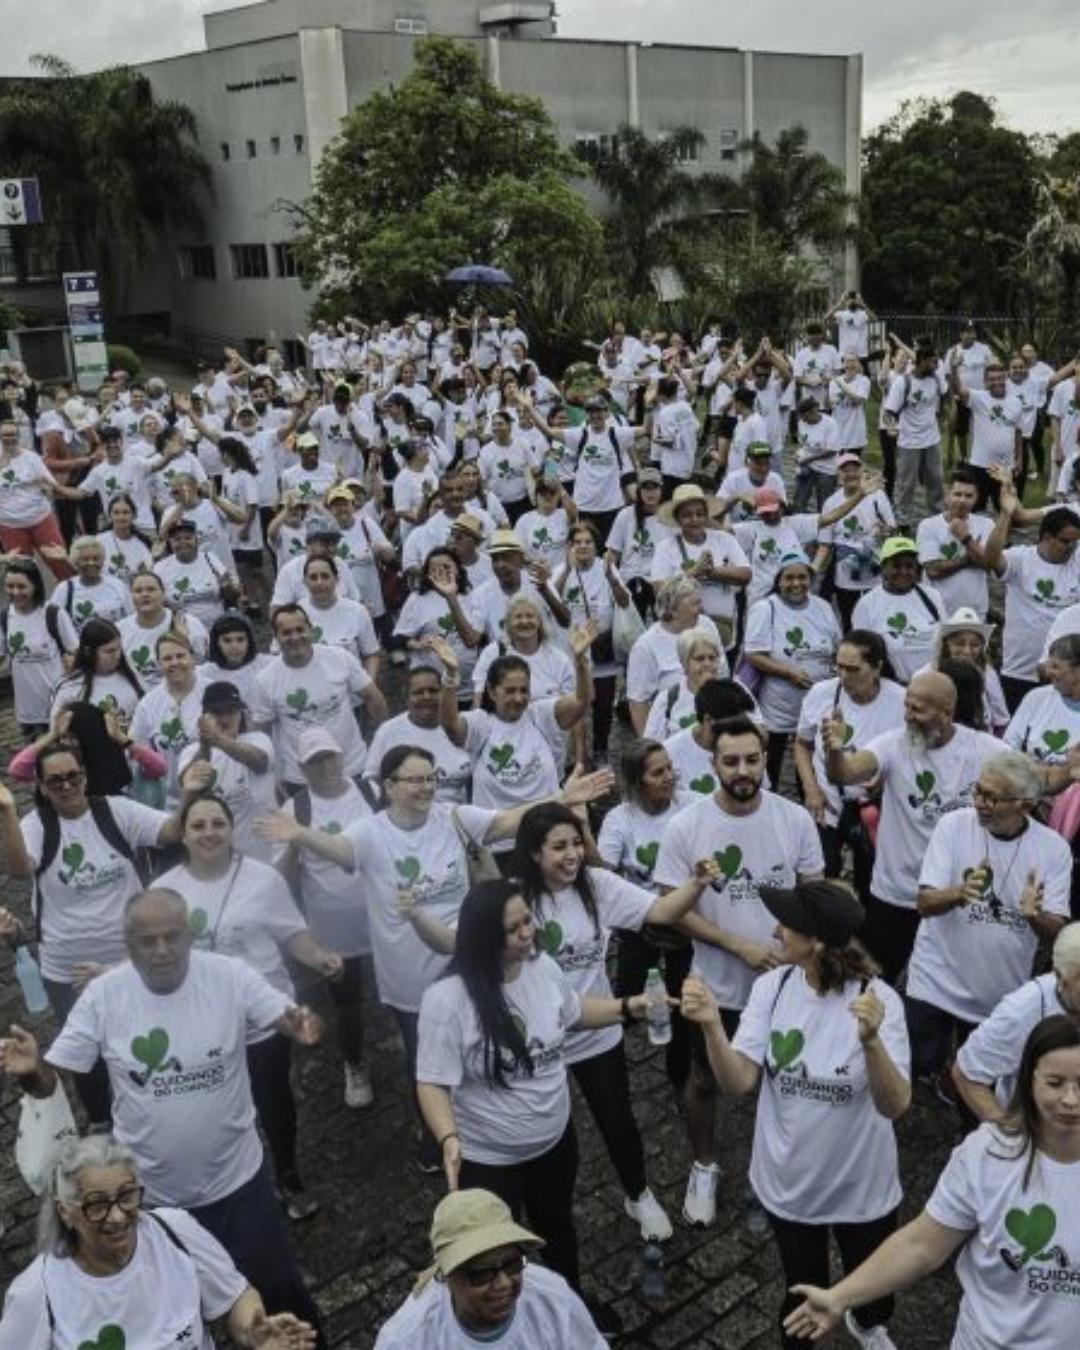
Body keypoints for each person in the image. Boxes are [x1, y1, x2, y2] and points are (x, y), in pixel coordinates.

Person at [254, 746, 613, 1170]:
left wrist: (560, 794)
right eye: (415, 780)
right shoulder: (371, 833)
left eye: (431, 778)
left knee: (478, 1037)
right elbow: (339, 850)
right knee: (424, 1056)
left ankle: (484, 1121)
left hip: (465, 961)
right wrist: (298, 833)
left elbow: (504, 821)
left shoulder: (452, 817)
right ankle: (436, 1136)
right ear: (389, 787)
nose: (426, 787)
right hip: (409, 976)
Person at [0, 888, 327, 1340]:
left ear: (190, 936)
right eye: (146, 941)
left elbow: (285, 1015)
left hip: (237, 1182)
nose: (161, 951)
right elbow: (55, 1074)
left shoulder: (229, 975)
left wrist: (303, 1023)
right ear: (127, 944)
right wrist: (33, 1070)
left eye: (172, 937)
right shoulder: (104, 995)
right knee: (174, 1311)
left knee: (278, 1291)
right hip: (152, 1199)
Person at [414, 878, 673, 1322]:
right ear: (484, 938)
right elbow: (432, 1082)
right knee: (496, 1253)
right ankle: (510, 1324)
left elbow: (572, 1012)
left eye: (527, 921)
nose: (526, 934)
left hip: (553, 1144)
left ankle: (570, 1308)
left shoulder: (541, 967)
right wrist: (448, 1137)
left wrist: (631, 1006)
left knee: (558, 1231)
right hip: (490, 1159)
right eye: (512, 929)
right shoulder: (447, 1000)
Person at [681, 880, 910, 1350]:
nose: (776, 929)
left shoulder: (880, 1001)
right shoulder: (773, 987)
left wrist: (871, 1042)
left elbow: (895, 1105)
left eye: (787, 923)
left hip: (860, 1187)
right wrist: (710, 1030)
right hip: (791, 1183)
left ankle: (866, 1326)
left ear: (818, 941)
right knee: (800, 1299)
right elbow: (739, 1082)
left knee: (875, 1296)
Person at [784, 1015, 1080, 1350]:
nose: (1070, 1100)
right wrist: (839, 1297)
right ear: (1029, 1081)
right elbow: (921, 1245)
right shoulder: (989, 1154)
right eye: (1055, 1083)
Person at [510, 803, 720, 1239]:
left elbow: (661, 912)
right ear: (533, 853)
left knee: (617, 1117)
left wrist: (696, 883)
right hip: (536, 1039)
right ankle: (538, 1218)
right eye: (558, 847)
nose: (572, 855)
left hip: (597, 1028)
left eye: (576, 844)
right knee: (545, 1134)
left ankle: (638, 1195)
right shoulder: (515, 902)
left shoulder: (597, 885)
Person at [654, 715, 825, 1227]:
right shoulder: (686, 826)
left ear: (764, 757)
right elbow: (669, 907)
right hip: (719, 986)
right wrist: (737, 945)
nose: (743, 769)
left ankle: (778, 1167)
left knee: (788, 1079)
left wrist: (790, 945)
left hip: (788, 986)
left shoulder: (794, 819)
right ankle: (704, 1165)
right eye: (731, 761)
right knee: (704, 1079)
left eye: (752, 759)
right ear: (713, 764)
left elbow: (814, 893)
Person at [158, 793, 341, 1219]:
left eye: (217, 824)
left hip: (264, 1015)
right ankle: (227, 1181)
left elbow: (293, 933)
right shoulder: (164, 893)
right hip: (199, 1023)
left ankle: (288, 1173)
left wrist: (321, 957)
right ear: (182, 834)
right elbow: (150, 957)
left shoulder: (262, 879)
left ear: (231, 829)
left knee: (273, 1098)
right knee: (215, 1105)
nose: (209, 833)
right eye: (198, 825)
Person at [0, 1135, 316, 1350]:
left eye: (127, 1196)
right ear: (65, 1212)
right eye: (96, 1205)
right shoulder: (37, 1295)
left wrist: (253, 1330)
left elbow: (235, 1297)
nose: (118, 1217)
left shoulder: (174, 1231)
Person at [822, 670, 1002, 984]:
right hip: (895, 896)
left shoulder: (984, 750)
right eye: (906, 706)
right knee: (876, 982)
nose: (907, 716)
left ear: (947, 712)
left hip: (952, 898)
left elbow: (1031, 777)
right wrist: (835, 750)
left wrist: (1067, 772)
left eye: (918, 709)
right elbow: (846, 773)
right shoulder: (893, 745)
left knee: (946, 988)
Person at [907, 752, 1071, 1080]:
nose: (980, 803)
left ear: (1024, 805)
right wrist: (957, 893)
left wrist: (1034, 916)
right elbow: (924, 903)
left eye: (992, 798)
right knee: (918, 1067)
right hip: (934, 982)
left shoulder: (1053, 849)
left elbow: (1058, 932)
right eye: (978, 791)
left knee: (978, 1080)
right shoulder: (953, 826)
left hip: (997, 994)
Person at [271, 728, 377, 1109]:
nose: (325, 765)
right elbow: (280, 880)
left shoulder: (371, 793)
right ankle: (355, 1063)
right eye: (315, 760)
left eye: (330, 755)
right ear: (301, 767)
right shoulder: (296, 810)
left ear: (343, 754)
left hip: (384, 919)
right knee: (347, 1003)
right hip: (334, 930)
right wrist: (295, 845)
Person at [374, 1188, 605, 1350]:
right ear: (447, 1275)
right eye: (483, 1274)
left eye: (512, 1264)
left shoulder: (553, 1298)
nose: (504, 1283)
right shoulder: (406, 1339)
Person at [435, 632, 592, 856]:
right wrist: (450, 676)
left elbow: (581, 701)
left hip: (548, 840)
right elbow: (450, 724)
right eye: (510, 691)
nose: (519, 698)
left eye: (524, 690)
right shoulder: (480, 724)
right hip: (500, 846)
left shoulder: (541, 715)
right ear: (491, 691)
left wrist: (581, 662)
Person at [795, 630, 905, 896]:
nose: (844, 676)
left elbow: (910, 753)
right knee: (821, 877)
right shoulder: (822, 693)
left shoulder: (900, 701)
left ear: (877, 667)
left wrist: (884, 780)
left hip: (873, 809)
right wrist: (811, 789)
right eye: (839, 667)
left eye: (853, 669)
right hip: (828, 804)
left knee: (869, 882)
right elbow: (801, 743)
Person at [250, 604, 387, 794]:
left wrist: (381, 741)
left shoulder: (340, 658)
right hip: (300, 779)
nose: (295, 637)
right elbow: (260, 735)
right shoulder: (265, 680)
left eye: (300, 629)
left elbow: (374, 698)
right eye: (286, 632)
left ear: (311, 630)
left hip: (352, 768)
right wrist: (273, 775)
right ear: (276, 637)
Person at [952, 922, 1080, 1121]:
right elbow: (967, 1073)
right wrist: (1008, 1136)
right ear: (1060, 976)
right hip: (1040, 1134)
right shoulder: (1022, 1010)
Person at [744, 550, 842, 788]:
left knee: (810, 759)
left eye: (802, 577)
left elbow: (837, 648)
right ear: (778, 581)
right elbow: (753, 654)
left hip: (816, 704)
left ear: (811, 579)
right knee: (771, 761)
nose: (796, 583)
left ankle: (810, 807)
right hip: (777, 706)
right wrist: (788, 672)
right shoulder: (766, 608)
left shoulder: (822, 607)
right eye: (789, 578)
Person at [984, 485, 1080, 711]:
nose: (1072, 548)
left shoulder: (1077, 560)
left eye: (1076, 542)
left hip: (1065, 677)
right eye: (1066, 541)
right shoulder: (1020, 559)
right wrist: (1006, 514)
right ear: (1046, 537)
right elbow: (990, 559)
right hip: (1018, 671)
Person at [552, 521, 631, 761]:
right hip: (571, 649)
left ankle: (600, 750)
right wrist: (566, 570)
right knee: (573, 702)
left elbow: (624, 602)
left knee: (604, 704)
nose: (583, 547)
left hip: (601, 647)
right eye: (577, 542)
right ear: (569, 546)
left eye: (588, 542)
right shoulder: (561, 569)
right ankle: (575, 754)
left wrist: (612, 578)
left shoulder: (606, 567)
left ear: (597, 546)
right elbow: (550, 599)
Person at [177, 681, 276, 859]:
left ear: (241, 714)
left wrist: (218, 740)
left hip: (262, 858)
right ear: (203, 717)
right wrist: (206, 746)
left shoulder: (258, 739)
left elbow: (260, 762)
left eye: (231, 712)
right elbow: (189, 786)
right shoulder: (191, 752)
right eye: (217, 713)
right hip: (214, 860)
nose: (224, 719)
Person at [649, 484, 751, 648]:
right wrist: (693, 573)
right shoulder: (665, 547)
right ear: (677, 518)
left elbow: (746, 574)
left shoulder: (724, 539)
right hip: (682, 631)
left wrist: (713, 572)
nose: (695, 519)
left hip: (722, 626)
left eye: (700, 514)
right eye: (687, 515)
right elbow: (660, 591)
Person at [366, 664, 475, 804]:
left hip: (456, 819)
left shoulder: (464, 726)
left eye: (433, 691)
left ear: (444, 693)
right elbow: (371, 779)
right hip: (406, 819)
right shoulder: (388, 731)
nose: (426, 696)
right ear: (407, 697)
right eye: (418, 692)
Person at [626, 576, 721, 735]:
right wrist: (651, 750)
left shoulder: (707, 625)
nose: (701, 608)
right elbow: (638, 702)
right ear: (673, 609)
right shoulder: (646, 646)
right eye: (695, 604)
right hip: (672, 733)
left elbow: (722, 672)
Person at [0, 556, 77, 737]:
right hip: (27, 710)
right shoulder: (4, 618)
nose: (15, 592)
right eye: (10, 586)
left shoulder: (53, 613)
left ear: (35, 586)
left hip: (58, 705)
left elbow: (74, 650)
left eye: (21, 587)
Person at [851, 537, 944, 685]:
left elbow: (946, 639)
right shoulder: (867, 604)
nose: (904, 572)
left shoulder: (932, 596)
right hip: (893, 686)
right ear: (883, 567)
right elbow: (862, 654)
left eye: (909, 566)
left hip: (933, 684)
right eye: (896, 566)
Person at [130, 631, 207, 808]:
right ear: (158, 664)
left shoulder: (211, 692)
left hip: (210, 796)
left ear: (193, 658)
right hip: (168, 803)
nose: (174, 663)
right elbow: (136, 752)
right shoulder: (148, 705)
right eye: (167, 658)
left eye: (180, 656)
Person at [394, 546, 483, 690]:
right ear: (427, 574)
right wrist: (417, 644)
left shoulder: (473, 598)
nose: (441, 572)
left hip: (467, 687)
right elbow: (399, 638)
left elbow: (475, 640)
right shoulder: (417, 599)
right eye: (434, 569)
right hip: (431, 688)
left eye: (446, 567)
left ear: (458, 570)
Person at [882, 342, 947, 529]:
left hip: (932, 440)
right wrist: (891, 427)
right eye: (932, 362)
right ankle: (902, 521)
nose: (935, 366)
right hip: (909, 442)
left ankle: (937, 518)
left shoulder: (935, 379)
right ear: (921, 361)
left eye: (936, 362)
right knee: (906, 485)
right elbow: (889, 413)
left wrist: (947, 415)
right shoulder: (903, 382)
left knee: (936, 480)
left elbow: (946, 394)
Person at [916, 467, 995, 618]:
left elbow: (990, 565)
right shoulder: (928, 525)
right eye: (957, 494)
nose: (962, 500)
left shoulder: (987, 525)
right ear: (947, 495)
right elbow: (932, 570)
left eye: (968, 496)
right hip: (936, 610)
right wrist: (971, 556)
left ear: (976, 498)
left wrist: (965, 538)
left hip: (974, 611)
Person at [919, 607, 1009, 735]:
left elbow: (1001, 722)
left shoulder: (988, 674)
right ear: (947, 644)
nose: (967, 651)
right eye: (959, 643)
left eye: (974, 645)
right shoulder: (926, 675)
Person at [117, 569, 209, 688]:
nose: (145, 595)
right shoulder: (119, 630)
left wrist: (183, 640)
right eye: (138, 591)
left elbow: (202, 667)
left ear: (163, 593)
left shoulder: (189, 624)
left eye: (151, 589)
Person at [297, 553, 380, 680]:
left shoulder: (357, 611)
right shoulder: (295, 614)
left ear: (336, 579)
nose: (319, 582)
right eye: (313, 577)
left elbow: (371, 654)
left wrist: (369, 685)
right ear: (305, 582)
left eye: (325, 576)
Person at [642, 625, 730, 742]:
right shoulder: (668, 699)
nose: (707, 664)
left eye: (712, 658)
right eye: (700, 659)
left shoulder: (735, 692)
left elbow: (758, 731)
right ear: (684, 663)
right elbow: (652, 745)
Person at [603, 467, 670, 618]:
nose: (650, 493)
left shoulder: (669, 517)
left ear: (662, 489)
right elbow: (613, 553)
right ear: (639, 491)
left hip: (660, 583)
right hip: (630, 582)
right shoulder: (625, 515)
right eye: (646, 488)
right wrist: (612, 579)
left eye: (655, 488)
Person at [1005, 633, 1080, 767]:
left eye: (1056, 666)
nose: (1048, 672)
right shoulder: (1037, 697)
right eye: (1049, 665)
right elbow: (1008, 746)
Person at [51, 536, 132, 632]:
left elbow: (131, 618)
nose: (91, 563)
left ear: (103, 561)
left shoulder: (117, 585)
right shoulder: (64, 589)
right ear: (76, 562)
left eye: (96, 559)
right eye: (85, 559)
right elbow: (53, 621)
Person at [202, 611, 270, 705]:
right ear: (217, 643)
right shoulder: (205, 673)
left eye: (240, 639)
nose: (234, 646)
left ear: (249, 641)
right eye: (227, 640)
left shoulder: (267, 665)